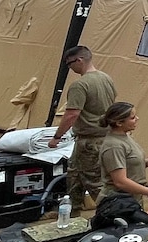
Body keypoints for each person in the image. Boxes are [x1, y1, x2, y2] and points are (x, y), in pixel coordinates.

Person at [48, 46, 116, 209]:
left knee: (95, 183)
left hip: (89, 141)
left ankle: (112, 213)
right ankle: (72, 210)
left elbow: (72, 114)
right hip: (100, 139)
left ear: (79, 60)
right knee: (75, 176)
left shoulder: (80, 85)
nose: (69, 68)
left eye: (69, 64)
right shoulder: (106, 79)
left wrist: (57, 137)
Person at [98, 101, 148, 219]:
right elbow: (120, 181)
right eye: (132, 118)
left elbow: (127, 166)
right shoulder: (114, 146)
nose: (137, 119)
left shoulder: (126, 137)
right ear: (119, 122)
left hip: (131, 198)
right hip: (118, 202)